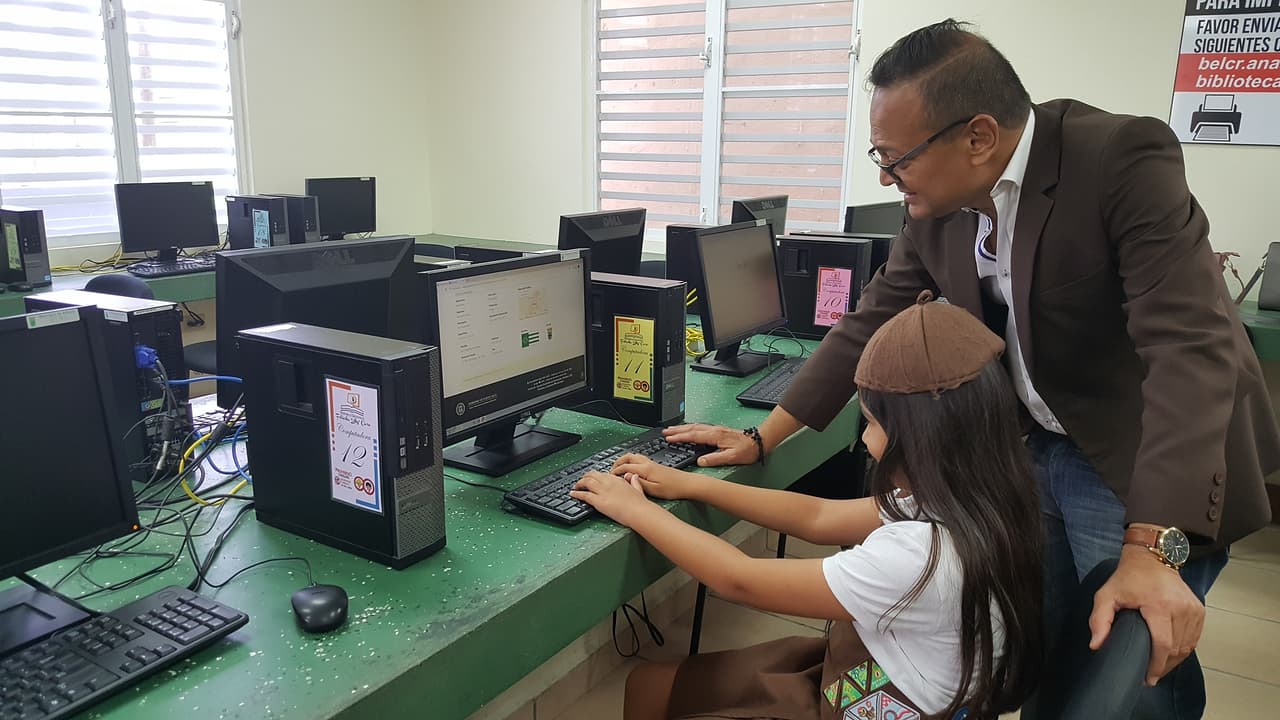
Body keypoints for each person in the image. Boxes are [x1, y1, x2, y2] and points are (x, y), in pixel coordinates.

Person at [663, 19, 1280, 719]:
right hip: (1040, 447)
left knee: (1115, 668)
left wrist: (1151, 544)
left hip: (1144, 459)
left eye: (895, 158)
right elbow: (867, 321)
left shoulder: (1118, 158)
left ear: (979, 137)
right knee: (1030, 648)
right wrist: (764, 438)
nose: (885, 175)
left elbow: (1188, 348)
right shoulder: (938, 206)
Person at [573, 293, 1043, 720]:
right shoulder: (976, 502)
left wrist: (636, 510)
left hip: (876, 700)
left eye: (874, 424)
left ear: (923, 437)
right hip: (874, 671)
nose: (864, 438)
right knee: (652, 684)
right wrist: (692, 485)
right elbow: (818, 517)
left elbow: (739, 579)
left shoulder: (922, 556)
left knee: (657, 688)